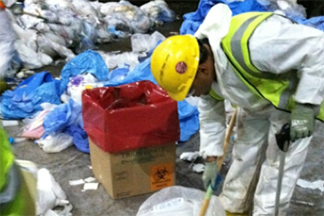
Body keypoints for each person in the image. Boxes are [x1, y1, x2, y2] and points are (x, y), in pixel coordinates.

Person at [150, 3, 324, 216]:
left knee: (278, 169)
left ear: (203, 70)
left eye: (189, 89)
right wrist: (211, 159)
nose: (191, 95)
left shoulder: (257, 43)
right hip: (254, 98)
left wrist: (306, 106)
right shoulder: (203, 66)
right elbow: (210, 115)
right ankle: (233, 208)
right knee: (244, 152)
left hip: (292, 103)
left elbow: (318, 47)